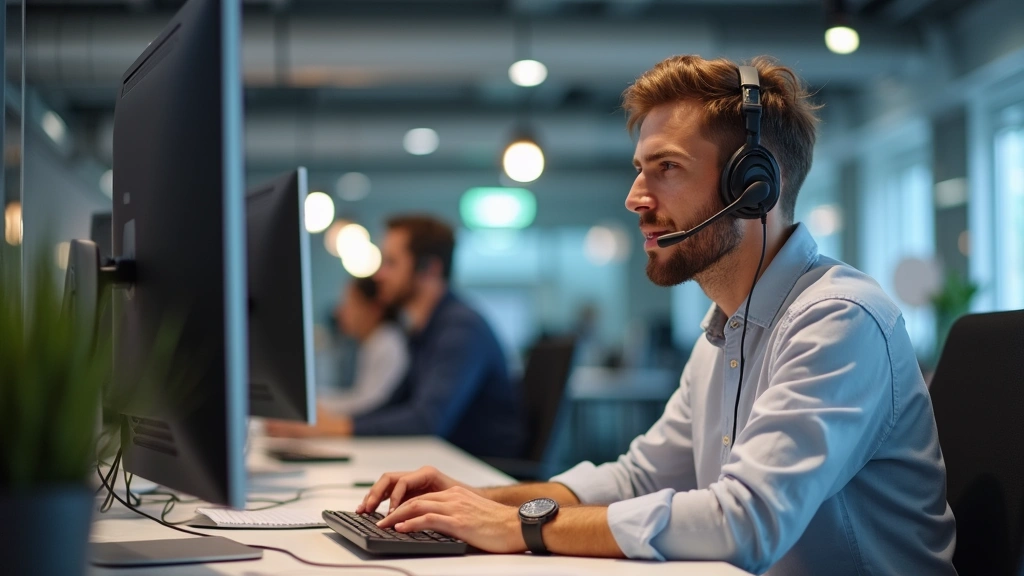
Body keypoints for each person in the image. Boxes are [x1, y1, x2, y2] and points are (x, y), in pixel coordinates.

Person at [355, 55, 957, 575]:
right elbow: (639, 478)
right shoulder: (724, 332)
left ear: (753, 185)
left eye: (666, 168)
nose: (635, 197)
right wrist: (481, 500)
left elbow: (745, 522)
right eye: (639, 169)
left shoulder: (839, 321)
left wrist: (521, 528)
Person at [276, 215, 524, 459]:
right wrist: (330, 423)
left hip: (483, 469)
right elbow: (396, 404)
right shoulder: (424, 329)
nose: (379, 275)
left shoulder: (461, 329)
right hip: (447, 460)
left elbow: (427, 420)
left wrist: (338, 428)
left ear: (430, 268)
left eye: (391, 263)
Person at [267, 276, 408, 436]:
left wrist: (316, 407)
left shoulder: (387, 342)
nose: (339, 311)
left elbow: (372, 404)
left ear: (374, 309)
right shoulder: (372, 342)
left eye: (349, 304)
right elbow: (360, 397)